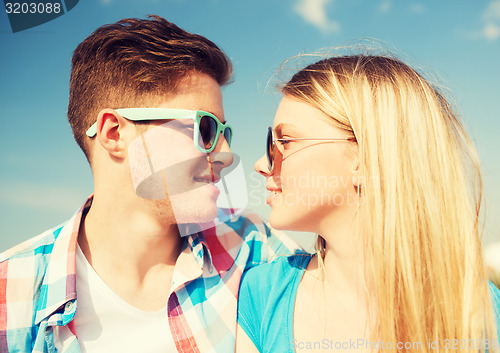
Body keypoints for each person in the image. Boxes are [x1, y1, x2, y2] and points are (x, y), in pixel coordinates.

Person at [0, 16, 297, 353]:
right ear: (115, 134)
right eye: (205, 129)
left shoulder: (256, 250)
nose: (226, 154)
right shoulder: (10, 294)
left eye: (224, 133)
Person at [236, 54, 500, 353]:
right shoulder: (260, 297)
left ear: (366, 157)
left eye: (285, 141)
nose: (261, 163)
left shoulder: (480, 311)